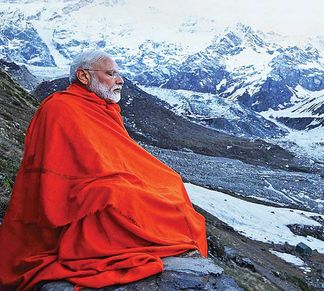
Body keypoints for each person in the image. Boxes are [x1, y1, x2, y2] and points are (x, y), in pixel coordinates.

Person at [0, 51, 207, 290]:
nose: (120, 80)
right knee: (118, 195)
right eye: (111, 74)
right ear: (83, 76)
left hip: (101, 176)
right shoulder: (60, 107)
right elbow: (60, 164)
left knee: (169, 181)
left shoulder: (103, 108)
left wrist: (130, 174)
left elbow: (116, 153)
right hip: (72, 190)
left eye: (118, 74)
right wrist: (113, 176)